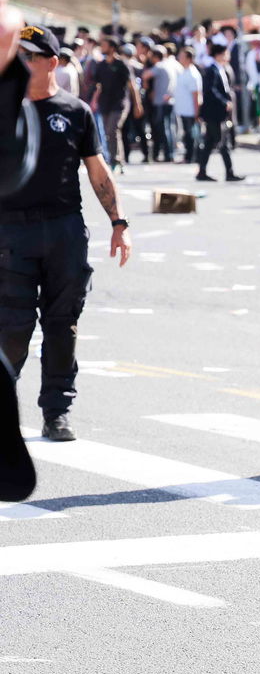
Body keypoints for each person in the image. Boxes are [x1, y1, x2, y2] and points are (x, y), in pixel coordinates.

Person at [0, 24, 131, 442]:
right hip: (11, 234)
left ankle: (56, 411)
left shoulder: (75, 112)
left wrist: (119, 223)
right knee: (13, 327)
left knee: (62, 325)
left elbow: (97, 171)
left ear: (51, 63)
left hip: (63, 231)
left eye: (28, 57)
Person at [195, 43, 244, 183]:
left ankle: (202, 172)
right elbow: (211, 91)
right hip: (213, 113)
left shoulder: (221, 69)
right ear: (218, 55)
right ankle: (229, 172)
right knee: (223, 143)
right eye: (225, 53)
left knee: (210, 142)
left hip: (218, 113)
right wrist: (224, 102)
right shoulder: (212, 70)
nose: (227, 56)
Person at [90, 39, 141, 169]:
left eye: (104, 44)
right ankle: (117, 160)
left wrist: (137, 105)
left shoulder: (122, 64)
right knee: (108, 133)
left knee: (112, 130)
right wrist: (94, 101)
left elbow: (132, 85)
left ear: (112, 47)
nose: (102, 47)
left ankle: (115, 160)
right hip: (105, 103)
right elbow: (98, 85)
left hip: (120, 103)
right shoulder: (101, 65)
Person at [171, 47, 202, 164]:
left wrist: (196, 112)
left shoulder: (193, 74)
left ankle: (191, 156)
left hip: (190, 110)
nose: (179, 58)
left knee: (191, 135)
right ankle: (190, 155)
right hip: (183, 109)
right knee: (187, 134)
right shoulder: (184, 71)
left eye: (182, 56)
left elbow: (196, 95)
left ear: (189, 59)